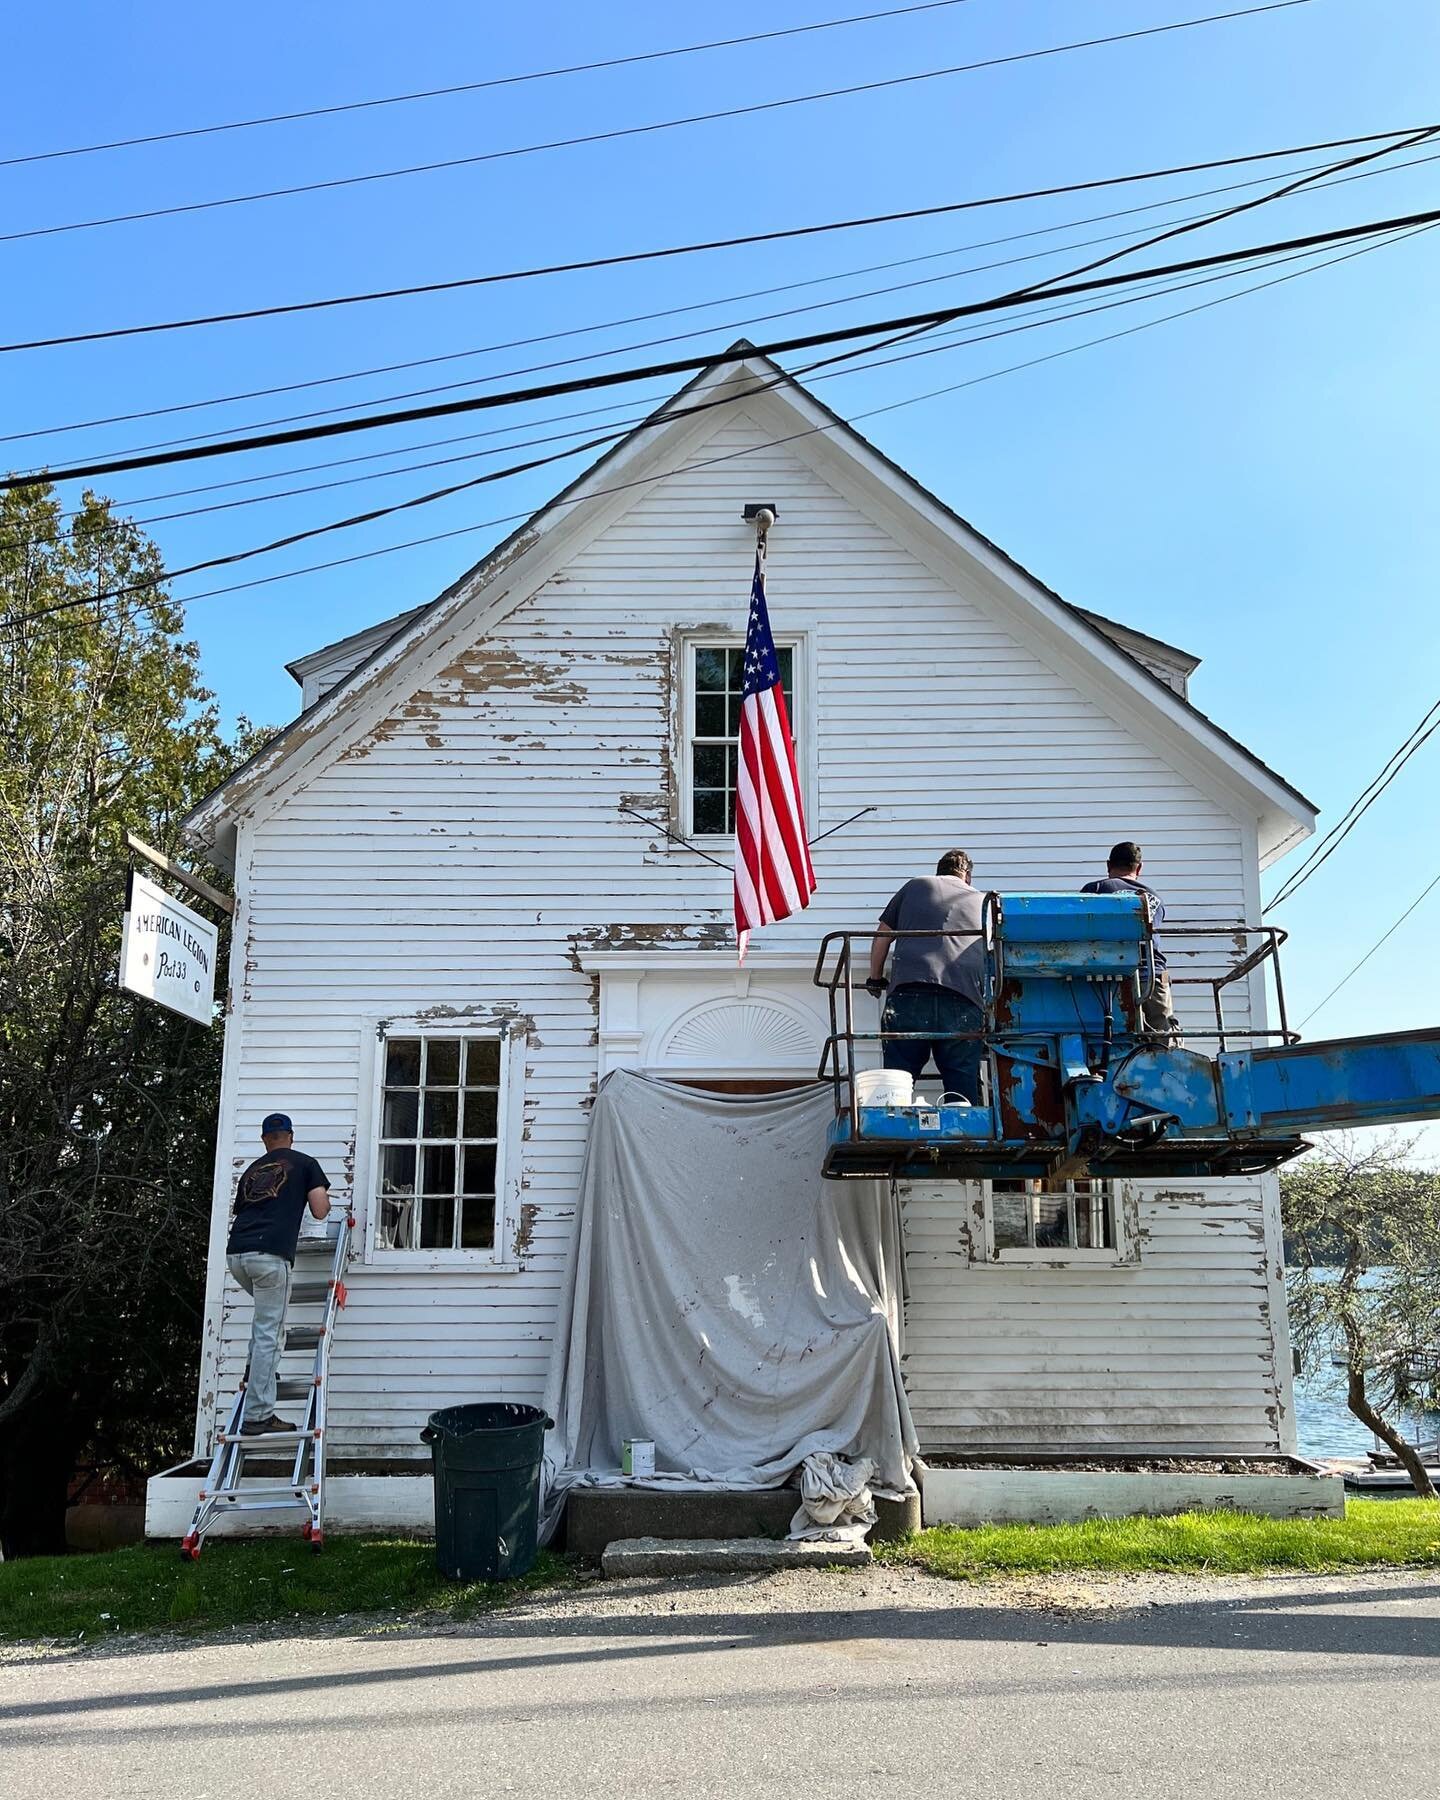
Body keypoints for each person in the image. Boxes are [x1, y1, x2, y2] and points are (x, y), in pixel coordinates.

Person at [225, 1113, 331, 1436]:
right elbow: (319, 1209)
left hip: (237, 1256)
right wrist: (325, 1199)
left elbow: (247, 1211)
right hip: (269, 1256)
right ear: (291, 1136)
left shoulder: (251, 1172)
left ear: (264, 1141)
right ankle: (258, 1415)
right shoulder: (305, 1163)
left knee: (264, 1324)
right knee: (271, 1332)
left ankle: (259, 1372)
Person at [866, 850, 987, 1105]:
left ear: (939, 870)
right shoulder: (981, 900)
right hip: (962, 1000)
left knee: (897, 1079)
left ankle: (893, 1129)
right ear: (967, 876)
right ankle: (963, 1133)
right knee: (962, 1085)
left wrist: (875, 978)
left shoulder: (916, 886)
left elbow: (883, 935)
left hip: (910, 995)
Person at [1081, 841, 1179, 1039]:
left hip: (1109, 979)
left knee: (1113, 1041)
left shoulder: (1096, 889)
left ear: (1109, 865)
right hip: (1153, 977)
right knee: (1163, 1040)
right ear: (1139, 868)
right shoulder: (1155, 898)